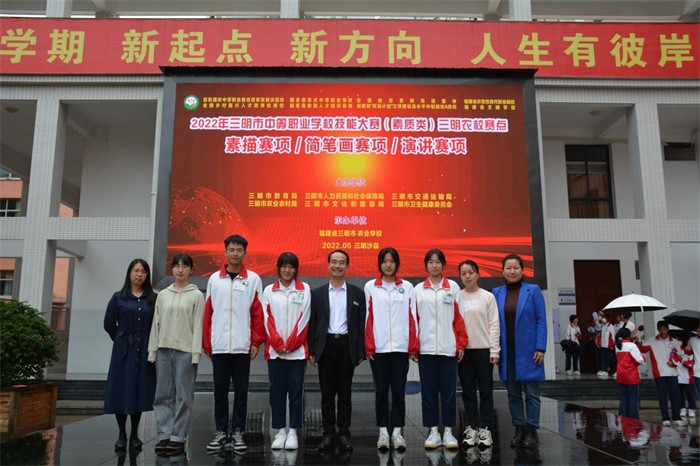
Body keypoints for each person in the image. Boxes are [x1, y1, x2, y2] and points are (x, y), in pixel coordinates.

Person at [203, 234, 265, 452]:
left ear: (245, 253)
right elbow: (208, 313)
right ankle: (221, 432)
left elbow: (258, 314)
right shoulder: (214, 279)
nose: (235, 253)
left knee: (241, 392)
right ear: (225, 252)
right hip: (219, 345)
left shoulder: (253, 279)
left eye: (239, 250)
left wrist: (256, 341)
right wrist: (207, 343)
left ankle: (238, 432)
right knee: (219, 392)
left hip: (242, 346)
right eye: (232, 250)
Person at [308, 249, 366, 452]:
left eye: (341, 262)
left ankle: (343, 434)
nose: (337, 266)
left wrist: (360, 351)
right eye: (334, 262)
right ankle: (327, 434)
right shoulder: (317, 294)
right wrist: (312, 350)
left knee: (344, 393)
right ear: (328, 265)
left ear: (347, 266)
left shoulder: (357, 293)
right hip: (326, 346)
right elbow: (313, 323)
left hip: (346, 346)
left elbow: (361, 325)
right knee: (326, 394)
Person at [148, 253, 205, 454]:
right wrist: (152, 351)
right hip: (163, 350)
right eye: (176, 266)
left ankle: (178, 436)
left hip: (185, 351)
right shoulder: (163, 295)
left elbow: (198, 326)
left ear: (191, 270)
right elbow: (155, 324)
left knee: (183, 395)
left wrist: (196, 354)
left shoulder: (196, 295)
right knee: (162, 394)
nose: (180, 270)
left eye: (184, 266)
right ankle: (164, 433)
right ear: (172, 269)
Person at [413, 249, 468, 450]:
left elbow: (459, 318)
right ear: (426, 265)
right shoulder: (418, 290)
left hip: (448, 349)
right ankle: (433, 432)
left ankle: (449, 432)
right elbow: (413, 320)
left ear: (443, 265)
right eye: (431, 262)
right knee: (428, 392)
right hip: (426, 349)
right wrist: (414, 346)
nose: (434, 265)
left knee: (449, 392)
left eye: (438, 262)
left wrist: (460, 343)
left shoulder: (452, 287)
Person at [365, 247, 418, 451]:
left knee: (398, 391)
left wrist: (412, 346)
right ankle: (383, 432)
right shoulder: (371, 287)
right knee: (380, 392)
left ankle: (397, 432)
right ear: (379, 264)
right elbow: (368, 319)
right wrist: (369, 346)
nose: (388, 265)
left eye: (392, 261)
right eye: (384, 261)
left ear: (397, 264)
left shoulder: (407, 287)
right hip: (379, 349)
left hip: (400, 349)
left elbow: (412, 317)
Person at [492, 254, 547, 449]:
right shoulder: (496, 293)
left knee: (532, 393)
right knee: (513, 394)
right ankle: (519, 428)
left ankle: (531, 429)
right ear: (502, 271)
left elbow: (541, 320)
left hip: (530, 351)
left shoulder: (533, 291)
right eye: (508, 268)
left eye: (516, 267)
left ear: (522, 270)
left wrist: (541, 347)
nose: (512, 271)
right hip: (507, 352)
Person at [103, 258, 158, 451]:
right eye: (136, 270)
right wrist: (121, 339)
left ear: (147, 275)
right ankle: (121, 434)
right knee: (122, 388)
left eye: (143, 271)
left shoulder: (152, 298)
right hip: (123, 349)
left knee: (138, 389)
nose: (139, 274)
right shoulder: (118, 297)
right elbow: (109, 324)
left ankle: (135, 434)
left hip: (145, 348)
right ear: (129, 273)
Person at [261, 252, 311, 451]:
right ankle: (280, 431)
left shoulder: (304, 289)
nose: (287, 270)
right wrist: (277, 343)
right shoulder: (269, 291)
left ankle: (293, 432)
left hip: (297, 353)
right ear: (279, 268)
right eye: (284, 266)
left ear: (296, 269)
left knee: (296, 393)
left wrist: (290, 345)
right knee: (277, 392)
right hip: (275, 353)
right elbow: (267, 320)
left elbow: (304, 319)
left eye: (291, 266)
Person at [456, 259, 499, 449]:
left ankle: (486, 428)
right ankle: (472, 427)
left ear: (478, 274)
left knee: (486, 391)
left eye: (471, 272)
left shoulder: (487, 297)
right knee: (468, 392)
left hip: (484, 351)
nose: (467, 276)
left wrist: (494, 350)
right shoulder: (457, 297)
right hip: (463, 352)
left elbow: (494, 325)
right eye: (463, 273)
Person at [638, 320, 685, 427]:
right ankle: (665, 417)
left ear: (668, 329)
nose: (663, 331)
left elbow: (680, 356)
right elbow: (642, 349)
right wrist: (637, 341)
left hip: (673, 373)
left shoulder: (675, 342)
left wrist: (674, 363)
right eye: (661, 329)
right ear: (658, 330)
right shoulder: (651, 341)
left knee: (675, 396)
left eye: (665, 329)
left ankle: (676, 417)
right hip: (659, 373)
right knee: (662, 396)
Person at [615, 327, 645, 419]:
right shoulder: (632, 346)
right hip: (631, 375)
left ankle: (624, 418)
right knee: (633, 399)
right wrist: (643, 358)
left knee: (624, 398)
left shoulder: (618, 345)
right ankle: (633, 419)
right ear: (629, 336)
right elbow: (639, 360)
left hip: (621, 374)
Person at [677, 332, 696, 419]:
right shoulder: (675, 351)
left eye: (679, 339)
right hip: (678, 376)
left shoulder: (689, 350)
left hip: (687, 377)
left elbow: (691, 363)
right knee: (680, 394)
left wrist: (684, 362)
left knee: (689, 394)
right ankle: (682, 408)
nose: (678, 341)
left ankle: (692, 408)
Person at [689, 322, 700, 417]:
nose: (699, 330)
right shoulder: (692, 340)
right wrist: (687, 349)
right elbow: (687, 352)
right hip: (697, 372)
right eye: (698, 328)